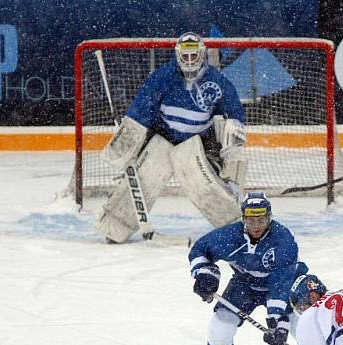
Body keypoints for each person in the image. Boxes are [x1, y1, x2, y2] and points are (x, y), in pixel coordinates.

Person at [96, 31, 248, 242]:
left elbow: (234, 108)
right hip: (164, 138)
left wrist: (235, 125)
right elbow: (142, 109)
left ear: (201, 55)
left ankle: (237, 228)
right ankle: (115, 226)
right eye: (184, 57)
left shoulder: (216, 81)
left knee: (203, 185)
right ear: (177, 56)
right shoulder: (163, 77)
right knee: (146, 177)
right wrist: (127, 140)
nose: (188, 61)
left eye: (193, 56)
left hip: (199, 143)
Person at [188, 192, 300, 345]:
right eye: (251, 220)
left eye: (261, 219)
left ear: (269, 218)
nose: (256, 225)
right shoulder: (230, 236)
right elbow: (200, 249)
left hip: (282, 286)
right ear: (243, 219)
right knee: (220, 327)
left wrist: (276, 320)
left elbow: (281, 281)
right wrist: (206, 275)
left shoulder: (283, 239)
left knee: (303, 327)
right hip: (244, 286)